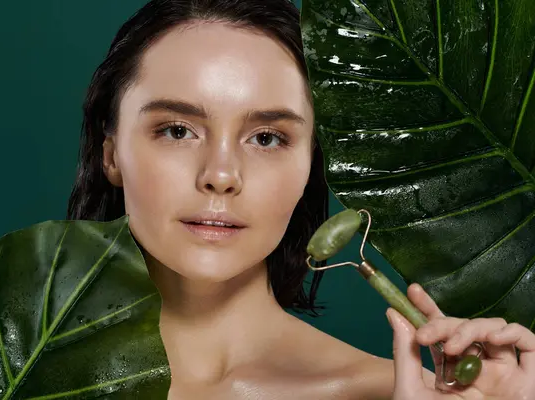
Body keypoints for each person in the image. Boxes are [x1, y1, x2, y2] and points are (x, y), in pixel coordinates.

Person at [66, 0, 535, 398]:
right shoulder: (15, 359)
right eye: (176, 130)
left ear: (311, 163)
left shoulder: (393, 393)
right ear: (111, 153)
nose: (221, 175)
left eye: (267, 138)